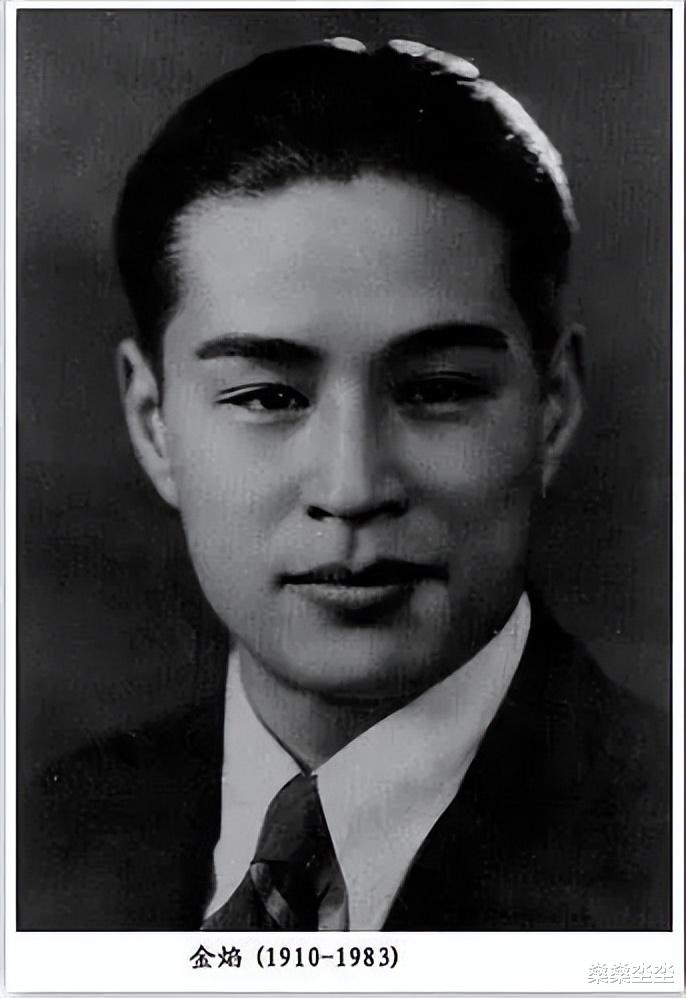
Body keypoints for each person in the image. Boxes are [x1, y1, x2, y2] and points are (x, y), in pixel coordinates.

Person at [19, 37, 670, 931]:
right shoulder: (40, 846)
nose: (354, 487)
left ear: (551, 411)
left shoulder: (659, 841)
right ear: (153, 422)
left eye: (438, 390)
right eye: (267, 396)